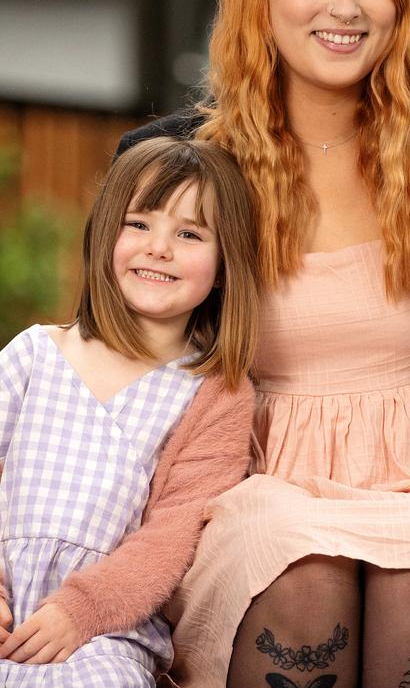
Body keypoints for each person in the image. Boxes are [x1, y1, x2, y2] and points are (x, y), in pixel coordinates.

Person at [117, 0, 410, 688]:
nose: (344, 6)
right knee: (300, 566)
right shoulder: (182, 166)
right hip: (250, 488)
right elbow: (104, 365)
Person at [0, 137, 259, 686]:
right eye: (138, 223)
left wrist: (82, 610)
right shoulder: (34, 356)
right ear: (104, 234)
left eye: (189, 234)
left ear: (225, 264)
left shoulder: (216, 394)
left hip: (102, 630)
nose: (158, 248)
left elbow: (172, 535)